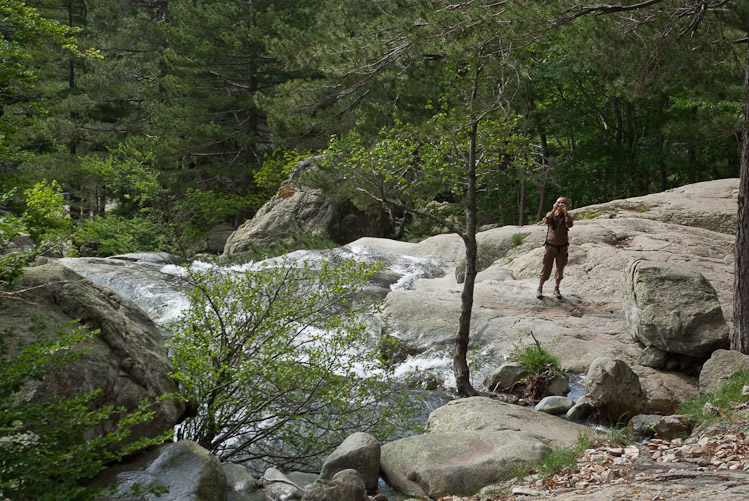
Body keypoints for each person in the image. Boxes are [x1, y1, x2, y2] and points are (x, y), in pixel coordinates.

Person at [537, 197, 573, 299]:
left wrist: (565, 213)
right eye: (558, 202)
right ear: (555, 203)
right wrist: (554, 210)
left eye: (563, 203)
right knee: (546, 267)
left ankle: (556, 288)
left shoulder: (568, 216)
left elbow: (569, 224)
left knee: (560, 269)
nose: (560, 205)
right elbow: (546, 221)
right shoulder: (551, 214)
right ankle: (540, 288)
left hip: (562, 247)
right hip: (550, 246)